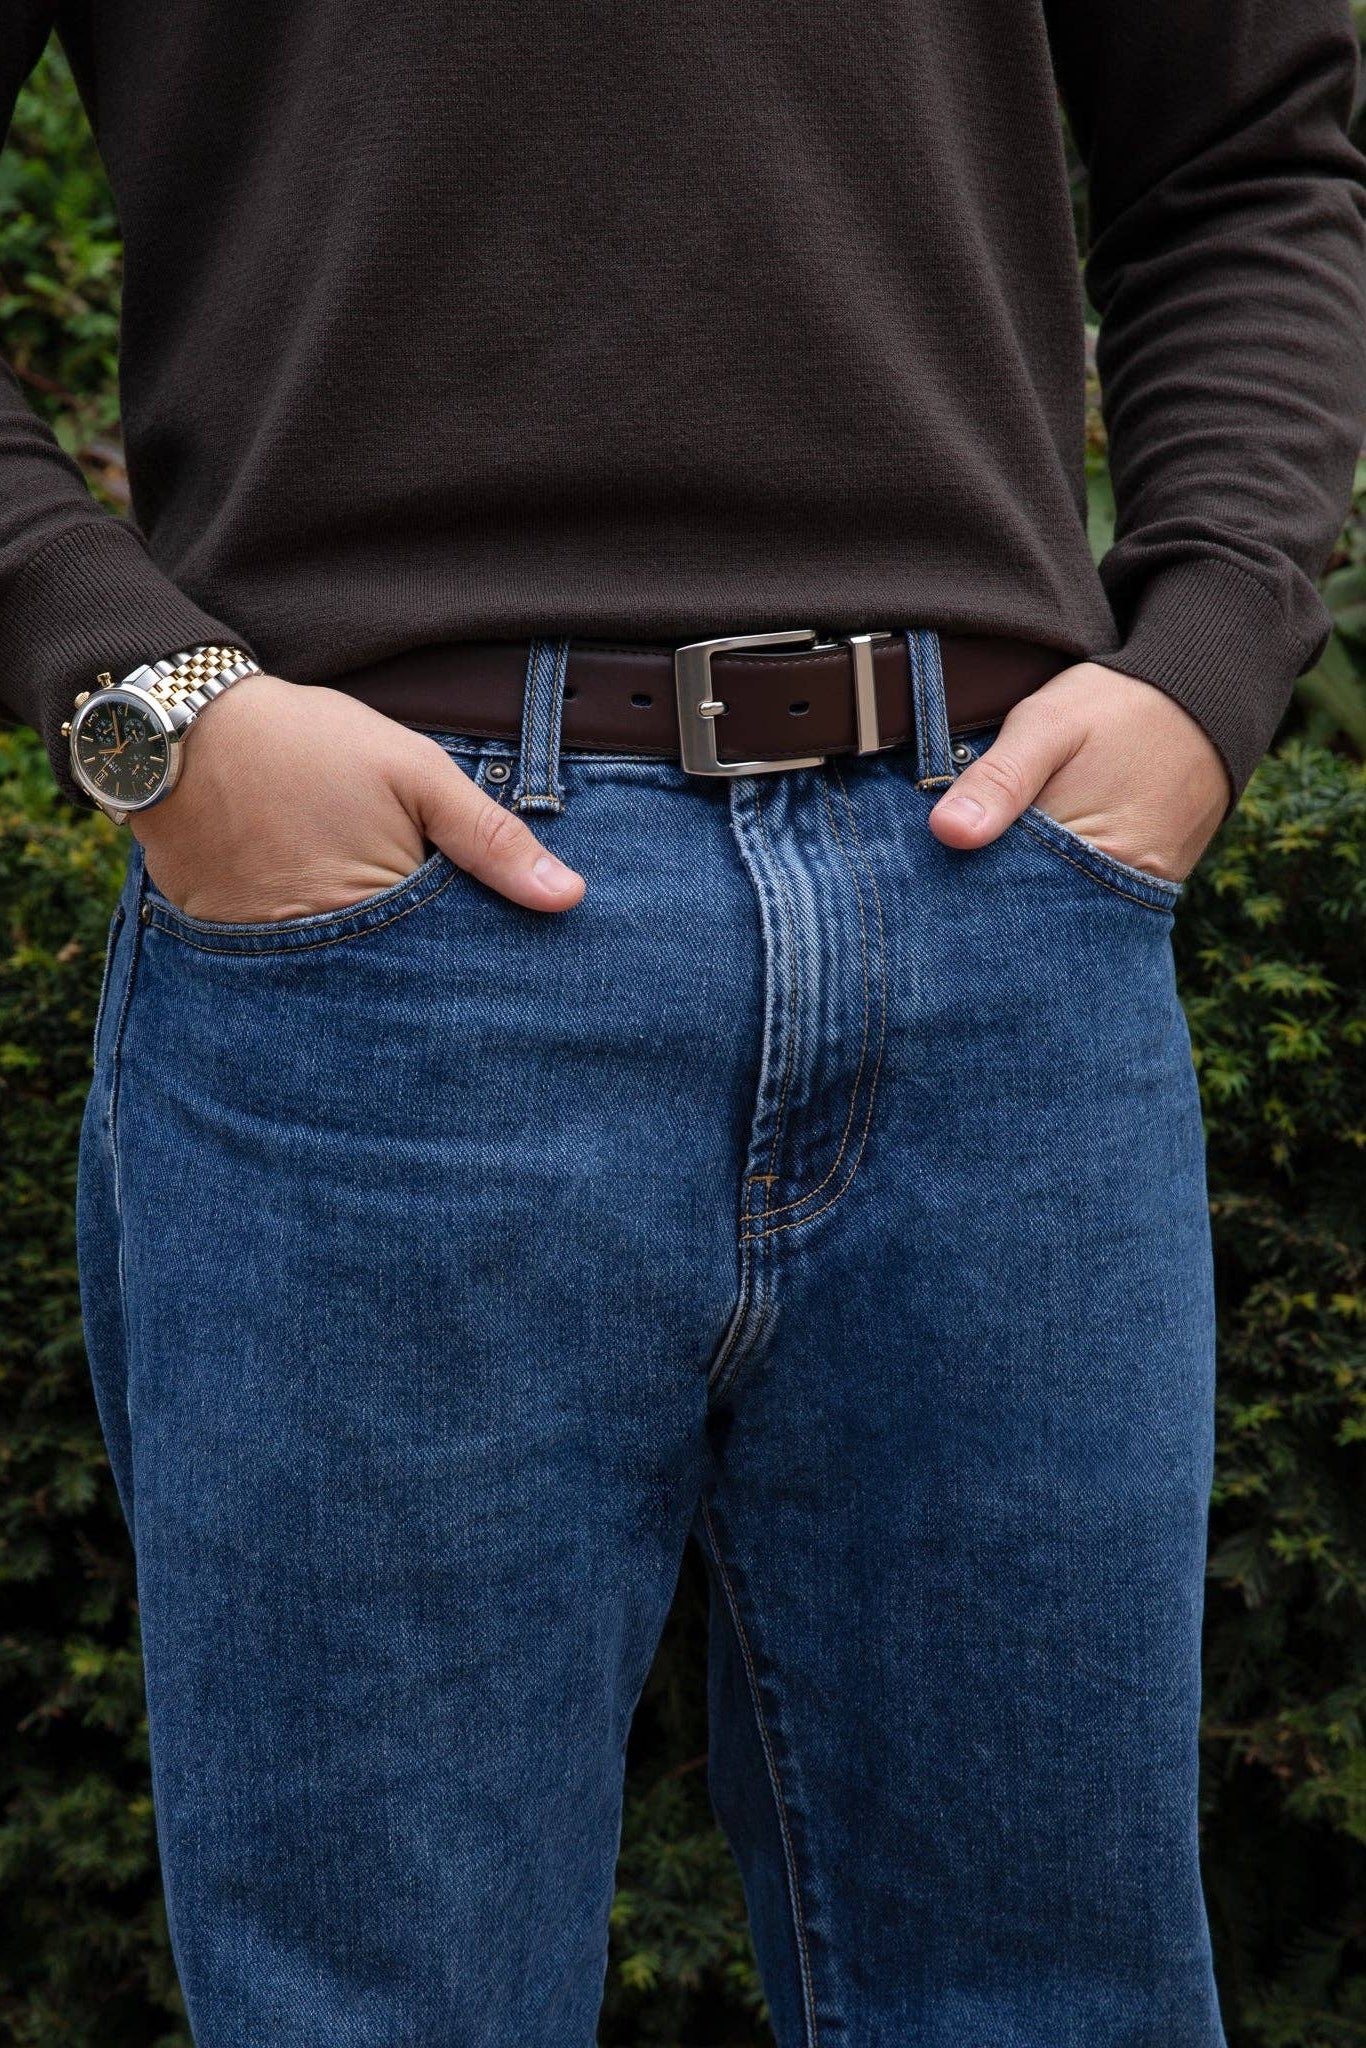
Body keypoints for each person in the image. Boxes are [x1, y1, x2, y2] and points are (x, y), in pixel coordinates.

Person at [4, 1, 1366, 2041]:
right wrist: (141, 691)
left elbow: (1251, 149)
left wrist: (1211, 649)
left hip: (995, 907)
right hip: (385, 958)